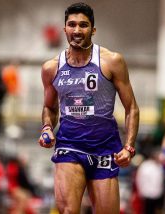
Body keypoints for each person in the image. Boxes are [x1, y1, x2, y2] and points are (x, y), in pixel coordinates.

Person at [38, 2, 139, 213]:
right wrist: (47, 127)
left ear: (92, 30)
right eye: (72, 25)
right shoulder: (51, 68)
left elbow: (131, 108)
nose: (77, 30)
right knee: (67, 211)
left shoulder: (112, 61)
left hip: (105, 146)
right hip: (70, 144)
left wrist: (128, 147)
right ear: (64, 29)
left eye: (83, 25)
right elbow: (49, 107)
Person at [136, 149, 165, 214]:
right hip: (147, 194)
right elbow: (140, 179)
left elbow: (160, 180)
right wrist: (141, 191)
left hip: (158, 194)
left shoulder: (160, 166)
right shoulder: (145, 165)